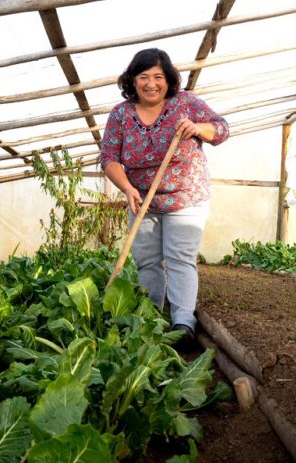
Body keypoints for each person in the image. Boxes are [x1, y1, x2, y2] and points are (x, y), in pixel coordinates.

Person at [100, 48, 229, 341]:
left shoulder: (185, 104)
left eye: (158, 77)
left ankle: (183, 322)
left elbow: (222, 129)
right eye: (143, 77)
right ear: (132, 80)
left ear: (168, 79)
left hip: (186, 197)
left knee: (180, 258)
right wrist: (128, 188)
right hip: (141, 198)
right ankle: (152, 318)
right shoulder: (121, 114)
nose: (151, 84)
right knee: (147, 260)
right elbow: (108, 158)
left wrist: (198, 128)